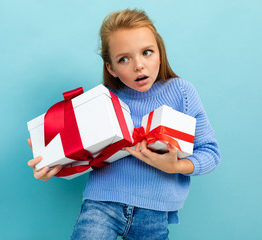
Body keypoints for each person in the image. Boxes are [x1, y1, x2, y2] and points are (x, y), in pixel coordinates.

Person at [27, 8, 221, 240]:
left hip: (155, 212)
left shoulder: (182, 92)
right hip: (102, 204)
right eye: (124, 59)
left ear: (160, 52)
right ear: (111, 68)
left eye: (147, 52)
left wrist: (176, 167)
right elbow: (82, 154)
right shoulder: (100, 101)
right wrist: (54, 165)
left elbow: (210, 152)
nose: (138, 65)